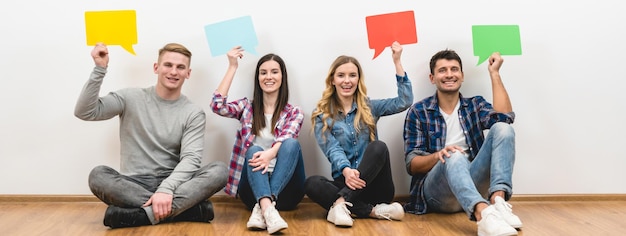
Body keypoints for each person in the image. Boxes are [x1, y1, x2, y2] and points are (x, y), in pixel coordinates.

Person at [75, 43, 228, 229]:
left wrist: (166, 188)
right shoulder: (129, 97)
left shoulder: (193, 112)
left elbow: (191, 159)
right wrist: (100, 68)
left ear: (188, 73)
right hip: (133, 183)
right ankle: (187, 210)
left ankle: (141, 215)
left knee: (220, 171)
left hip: (175, 183)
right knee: (98, 175)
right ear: (156, 68)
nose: (173, 71)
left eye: (180, 67)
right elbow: (85, 112)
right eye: (168, 65)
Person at [403, 49, 521, 236]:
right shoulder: (418, 111)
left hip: (472, 185)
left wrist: (495, 73)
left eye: (454, 69)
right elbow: (412, 165)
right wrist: (439, 155)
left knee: (503, 128)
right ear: (432, 78)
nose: (449, 74)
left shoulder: (475, 105)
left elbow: (505, 118)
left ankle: (498, 203)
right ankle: (483, 215)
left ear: (462, 76)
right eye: (443, 70)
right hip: (438, 194)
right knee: (454, 155)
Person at [304, 42, 412, 227]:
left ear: (358, 79)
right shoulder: (322, 115)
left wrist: (397, 61)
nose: (347, 80)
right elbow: (332, 149)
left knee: (378, 147)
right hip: (346, 183)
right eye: (341, 75)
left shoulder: (370, 107)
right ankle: (372, 211)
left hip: (376, 188)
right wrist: (346, 171)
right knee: (311, 183)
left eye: (352, 75)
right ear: (332, 80)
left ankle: (340, 204)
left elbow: (404, 101)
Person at [211, 46, 305, 234]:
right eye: (263, 73)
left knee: (291, 144)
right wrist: (232, 66)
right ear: (258, 78)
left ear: (282, 77)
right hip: (251, 191)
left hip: (287, 193)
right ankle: (266, 207)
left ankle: (265, 206)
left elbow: (287, 137)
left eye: (274, 72)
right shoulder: (246, 107)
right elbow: (217, 106)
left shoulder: (294, 112)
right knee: (253, 151)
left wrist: (270, 154)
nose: (268, 76)